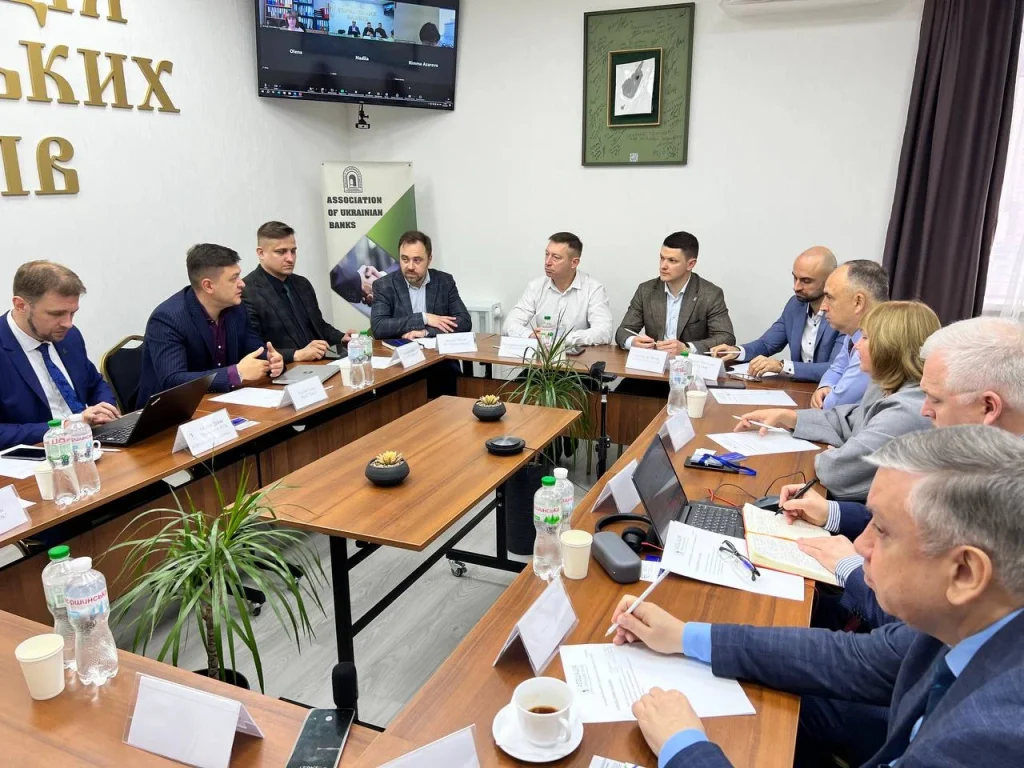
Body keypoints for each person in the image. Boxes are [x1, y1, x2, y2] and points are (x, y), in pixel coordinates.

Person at [615, 425, 1024, 768]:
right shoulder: (972, 621)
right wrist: (685, 635)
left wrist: (684, 748)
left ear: (965, 573)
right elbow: (853, 659)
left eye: (882, 529)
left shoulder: (993, 737)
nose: (859, 544)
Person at [780, 316, 1024, 627]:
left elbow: (910, 636)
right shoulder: (982, 456)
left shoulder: (1009, 495)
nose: (924, 410)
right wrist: (831, 512)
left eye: (935, 399)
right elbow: (911, 525)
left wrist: (849, 567)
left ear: (988, 408)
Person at [735, 301, 938, 499]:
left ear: (891, 346)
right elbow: (848, 421)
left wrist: (839, 453)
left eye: (865, 337)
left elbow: (835, 470)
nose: (856, 346)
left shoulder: (906, 410)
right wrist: (787, 416)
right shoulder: (883, 386)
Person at [138, 244, 283, 404]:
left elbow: (253, 348)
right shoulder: (168, 319)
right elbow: (173, 380)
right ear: (208, 286)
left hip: (224, 401)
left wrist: (270, 360)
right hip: (172, 409)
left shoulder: (236, 307)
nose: (242, 283)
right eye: (233, 278)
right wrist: (235, 374)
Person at [0, 261, 119, 450]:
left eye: (72, 313)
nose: (68, 323)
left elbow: (94, 383)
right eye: (57, 314)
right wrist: (66, 427)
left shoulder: (69, 336)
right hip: (38, 455)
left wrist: (103, 409)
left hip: (91, 444)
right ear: (21, 305)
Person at [710, 247, 842, 381]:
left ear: (829, 280)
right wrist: (736, 351)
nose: (796, 287)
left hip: (832, 390)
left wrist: (782, 366)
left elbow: (836, 368)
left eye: (806, 281)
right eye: (795, 278)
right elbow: (767, 344)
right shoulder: (795, 305)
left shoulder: (844, 314)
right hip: (798, 388)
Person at [242, 221, 351, 364]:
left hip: (321, 363)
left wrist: (342, 338)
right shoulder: (246, 291)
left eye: (293, 251)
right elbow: (252, 349)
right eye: (281, 252)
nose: (290, 258)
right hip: (283, 370)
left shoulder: (302, 283)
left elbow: (318, 325)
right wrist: (296, 354)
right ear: (261, 253)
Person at [615, 231, 735, 355]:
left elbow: (726, 337)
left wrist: (687, 348)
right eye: (662, 258)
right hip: (654, 362)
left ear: (690, 264)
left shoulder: (710, 294)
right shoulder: (646, 290)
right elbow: (623, 331)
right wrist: (632, 341)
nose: (663, 266)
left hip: (690, 364)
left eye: (672, 260)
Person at [503, 232, 612, 347]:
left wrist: (559, 338)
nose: (547, 262)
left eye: (556, 257)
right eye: (547, 254)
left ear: (574, 263)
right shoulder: (536, 286)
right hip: (544, 356)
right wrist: (531, 335)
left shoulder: (594, 290)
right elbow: (509, 324)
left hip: (579, 356)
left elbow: (604, 332)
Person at [811, 259, 889, 409]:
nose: (823, 307)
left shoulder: (878, 340)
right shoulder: (854, 334)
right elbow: (836, 368)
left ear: (858, 302)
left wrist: (827, 398)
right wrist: (825, 386)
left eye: (829, 297)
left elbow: (834, 404)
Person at [369, 230, 471, 340]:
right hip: (401, 349)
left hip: (435, 350)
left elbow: (464, 322)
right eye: (405, 259)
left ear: (429, 259)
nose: (410, 266)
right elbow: (379, 327)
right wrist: (423, 318)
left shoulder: (444, 281)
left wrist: (426, 332)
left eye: (417, 260)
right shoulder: (384, 285)